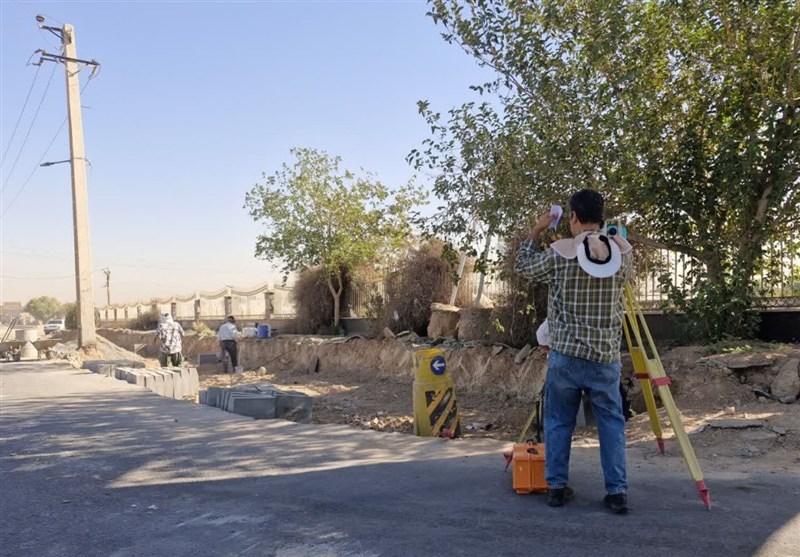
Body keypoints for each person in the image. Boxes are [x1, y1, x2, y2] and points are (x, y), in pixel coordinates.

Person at [514, 188, 633, 514]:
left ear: (574, 218)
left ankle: (556, 487)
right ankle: (617, 493)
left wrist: (537, 230)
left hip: (565, 357)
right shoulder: (622, 255)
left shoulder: (560, 254)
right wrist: (615, 238)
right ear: (602, 217)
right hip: (604, 359)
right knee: (611, 422)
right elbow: (627, 272)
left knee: (559, 421)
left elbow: (522, 266)